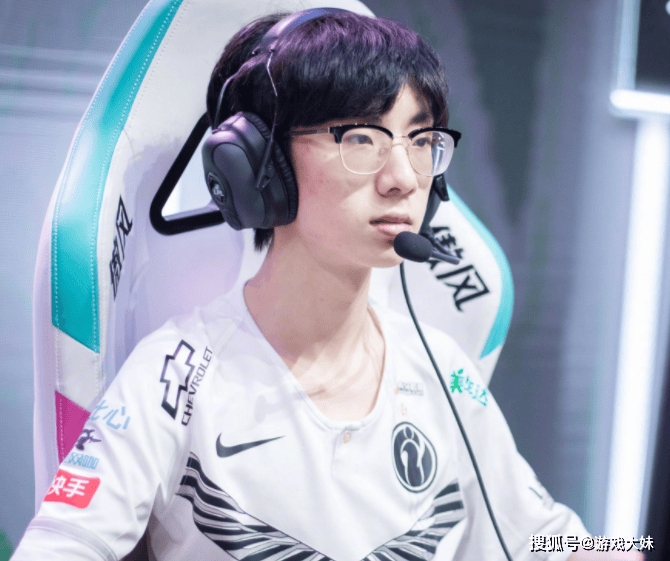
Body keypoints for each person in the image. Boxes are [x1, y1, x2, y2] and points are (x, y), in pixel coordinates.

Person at [11, 9, 644, 561]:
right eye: (360, 137)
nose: (403, 178)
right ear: (260, 166)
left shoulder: (441, 372)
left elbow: (544, 537)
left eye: (421, 140)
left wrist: (633, 547)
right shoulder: (177, 375)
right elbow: (62, 543)